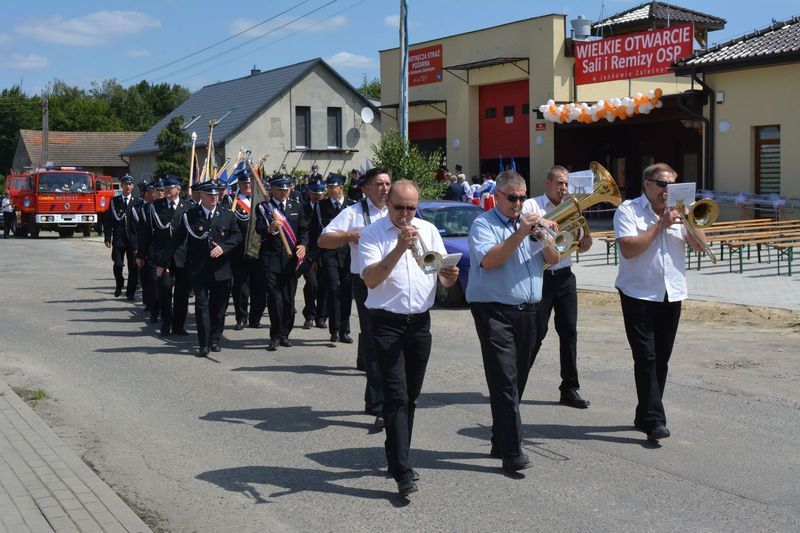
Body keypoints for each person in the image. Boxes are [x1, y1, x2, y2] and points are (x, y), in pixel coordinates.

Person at [360, 179, 459, 497]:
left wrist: (449, 276)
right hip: (385, 322)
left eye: (411, 208)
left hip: (419, 323)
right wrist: (399, 247)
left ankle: (396, 458)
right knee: (396, 396)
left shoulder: (428, 230)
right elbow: (372, 280)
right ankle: (403, 469)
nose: (405, 214)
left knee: (410, 397)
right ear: (388, 203)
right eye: (400, 207)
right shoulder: (373, 234)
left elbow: (439, 273)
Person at [466, 170, 560, 474]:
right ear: (498, 196)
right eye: (512, 198)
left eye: (521, 198)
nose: (518, 203)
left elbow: (554, 259)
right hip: (494, 310)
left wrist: (542, 235)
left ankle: (500, 437)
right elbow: (490, 260)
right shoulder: (484, 224)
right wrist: (520, 233)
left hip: (529, 311)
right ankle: (512, 452)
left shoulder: (531, 225)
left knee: (517, 380)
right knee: (505, 381)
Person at [614, 163, 707, 443]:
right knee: (646, 357)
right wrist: (660, 225)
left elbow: (702, 246)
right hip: (637, 293)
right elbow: (628, 249)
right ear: (647, 184)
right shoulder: (628, 210)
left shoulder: (680, 212)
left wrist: (690, 220)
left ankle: (645, 413)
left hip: (671, 293)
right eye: (661, 184)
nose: (666, 190)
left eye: (672, 185)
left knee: (661, 359)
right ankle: (655, 420)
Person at [318, 168, 391, 429]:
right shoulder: (355, 212)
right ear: (366, 188)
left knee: (389, 342)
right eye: (379, 184)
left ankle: (376, 400)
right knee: (375, 341)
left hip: (393, 281)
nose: (384, 188)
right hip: (365, 281)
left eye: (387, 183)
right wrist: (351, 236)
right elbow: (324, 239)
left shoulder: (397, 211)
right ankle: (381, 406)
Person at [522, 166, 592, 409]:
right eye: (560, 183)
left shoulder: (574, 208)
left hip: (565, 277)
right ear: (548, 183)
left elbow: (580, 244)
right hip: (541, 277)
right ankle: (515, 383)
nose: (564, 188)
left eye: (566, 184)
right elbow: (524, 221)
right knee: (536, 334)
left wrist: (584, 243)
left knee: (569, 333)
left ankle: (570, 388)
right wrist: (542, 221)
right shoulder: (533, 205)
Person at [171, 180, 241, 357]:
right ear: (201, 195)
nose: (214, 198)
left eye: (216, 194)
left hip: (221, 270)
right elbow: (177, 240)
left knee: (218, 308)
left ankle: (215, 339)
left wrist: (223, 248)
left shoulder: (227, 215)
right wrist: (161, 262)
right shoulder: (190, 216)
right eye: (210, 195)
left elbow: (237, 236)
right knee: (202, 306)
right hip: (199, 269)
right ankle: (203, 343)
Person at [255, 174, 308, 351]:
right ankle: (275, 335)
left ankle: (286, 333)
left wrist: (303, 245)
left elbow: (304, 231)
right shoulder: (263, 208)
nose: (284, 192)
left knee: (288, 300)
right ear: (272, 189)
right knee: (275, 298)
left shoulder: (297, 207)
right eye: (280, 189)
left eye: (287, 189)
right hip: (270, 259)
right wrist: (269, 228)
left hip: (290, 261)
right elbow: (259, 229)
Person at [312, 173, 355, 343]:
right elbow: (317, 231)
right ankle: (335, 330)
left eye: (332, 186)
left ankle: (345, 329)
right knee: (332, 289)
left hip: (348, 255)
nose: (329, 190)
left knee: (346, 291)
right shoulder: (320, 206)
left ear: (341, 187)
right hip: (329, 254)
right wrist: (314, 257)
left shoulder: (352, 206)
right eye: (328, 187)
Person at [151, 176, 191, 337]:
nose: (167, 190)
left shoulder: (187, 207)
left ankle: (178, 325)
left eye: (171, 187)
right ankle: (166, 321)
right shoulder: (156, 206)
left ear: (178, 190)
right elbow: (149, 232)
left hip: (182, 255)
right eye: (165, 187)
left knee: (182, 293)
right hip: (163, 257)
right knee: (164, 289)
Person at [229, 169, 267, 330]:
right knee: (241, 288)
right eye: (245, 183)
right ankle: (241, 317)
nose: (248, 186)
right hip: (240, 252)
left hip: (259, 251)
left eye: (251, 183)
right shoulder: (233, 203)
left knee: (260, 287)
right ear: (239, 185)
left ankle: (255, 318)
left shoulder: (263, 202)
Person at [104, 175, 139, 299]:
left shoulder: (137, 202)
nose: (128, 186)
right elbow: (108, 221)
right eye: (125, 184)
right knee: (117, 264)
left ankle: (131, 292)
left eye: (130, 184)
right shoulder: (115, 201)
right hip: (119, 238)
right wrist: (107, 237)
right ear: (121, 186)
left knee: (133, 267)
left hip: (133, 240)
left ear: (133, 186)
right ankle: (119, 283)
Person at [300, 180, 328, 330]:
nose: (317, 196)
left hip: (325, 254)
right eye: (314, 193)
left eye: (320, 193)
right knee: (312, 284)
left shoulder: (325, 208)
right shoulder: (303, 209)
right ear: (309, 193)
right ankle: (309, 314)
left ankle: (321, 317)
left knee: (324, 286)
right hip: (309, 254)